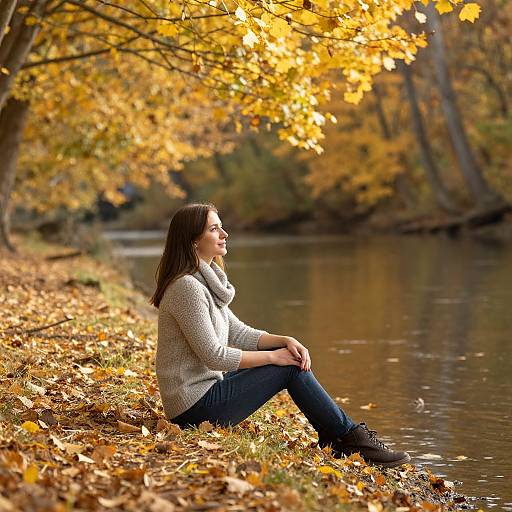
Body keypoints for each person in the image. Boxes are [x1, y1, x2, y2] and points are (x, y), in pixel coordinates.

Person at [150, 203, 410, 468]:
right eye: (214, 229)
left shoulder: (202, 283)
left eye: (221, 227)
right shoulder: (187, 288)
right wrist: (274, 357)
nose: (224, 234)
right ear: (193, 240)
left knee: (289, 361)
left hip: (205, 392)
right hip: (194, 410)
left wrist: (285, 340)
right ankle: (348, 439)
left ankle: (341, 437)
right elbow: (214, 356)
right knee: (288, 368)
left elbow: (239, 333)